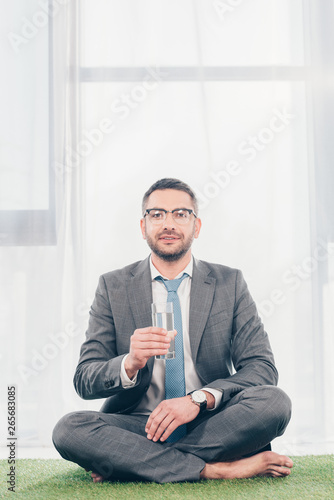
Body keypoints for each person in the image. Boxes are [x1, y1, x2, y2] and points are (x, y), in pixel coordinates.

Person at [53, 178, 293, 483]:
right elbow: (85, 380)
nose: (169, 223)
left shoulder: (229, 283)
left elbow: (261, 369)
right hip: (142, 425)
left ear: (197, 226)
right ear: (143, 227)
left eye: (180, 214)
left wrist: (197, 400)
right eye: (157, 214)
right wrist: (129, 363)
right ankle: (215, 469)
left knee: (275, 402)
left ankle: (134, 462)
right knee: (68, 429)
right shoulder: (113, 286)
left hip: (211, 423)